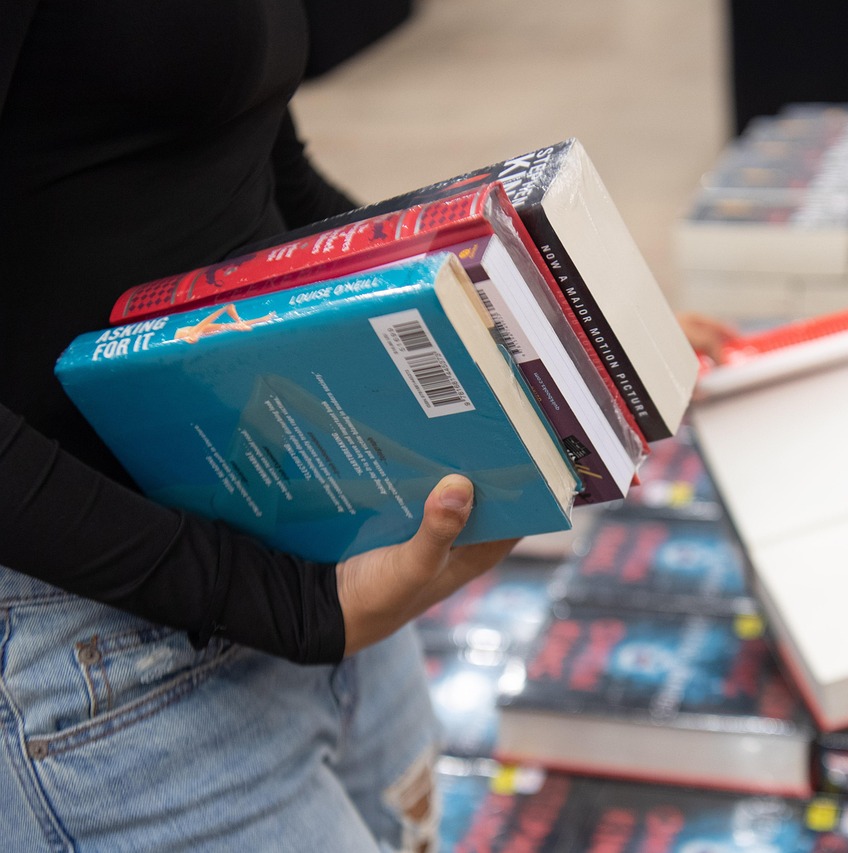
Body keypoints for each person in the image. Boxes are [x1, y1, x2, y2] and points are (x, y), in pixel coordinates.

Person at [0, 4, 734, 850]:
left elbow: (259, 166)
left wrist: (553, 332)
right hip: (108, 618)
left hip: (310, 510)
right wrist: (282, 603)